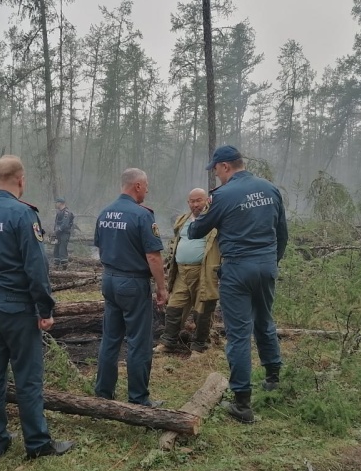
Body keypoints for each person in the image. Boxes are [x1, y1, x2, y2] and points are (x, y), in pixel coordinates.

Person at [0, 155, 74, 459]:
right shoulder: (23, 214)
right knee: (28, 375)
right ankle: (38, 443)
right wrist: (45, 308)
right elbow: (36, 266)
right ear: (21, 180)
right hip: (15, 304)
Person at [188, 145, 288, 424]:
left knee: (239, 333)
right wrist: (271, 261)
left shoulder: (222, 195)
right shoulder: (270, 188)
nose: (216, 176)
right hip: (266, 265)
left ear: (225, 167)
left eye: (216, 170)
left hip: (237, 269)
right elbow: (282, 233)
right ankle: (273, 377)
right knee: (265, 320)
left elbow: (197, 231)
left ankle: (242, 403)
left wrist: (200, 212)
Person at [94, 168, 168, 407]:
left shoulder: (105, 212)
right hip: (133, 283)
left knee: (111, 338)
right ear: (137, 186)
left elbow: (101, 246)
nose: (147, 190)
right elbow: (154, 257)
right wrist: (161, 287)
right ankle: (138, 398)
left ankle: (104, 392)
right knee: (138, 341)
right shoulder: (142, 215)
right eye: (146, 186)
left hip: (109, 280)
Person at [154, 188, 220, 357]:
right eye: (192, 201)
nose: (195, 204)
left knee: (203, 308)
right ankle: (168, 342)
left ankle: (199, 346)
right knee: (175, 305)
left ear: (207, 200)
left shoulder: (215, 219)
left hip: (203, 271)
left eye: (199, 200)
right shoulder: (182, 220)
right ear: (188, 202)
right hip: (181, 271)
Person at [53, 197, 75, 270]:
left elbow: (64, 224)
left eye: (57, 202)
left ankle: (64, 267)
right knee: (56, 248)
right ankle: (56, 265)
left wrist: (57, 230)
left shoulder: (67, 212)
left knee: (62, 249)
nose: (56, 204)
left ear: (61, 203)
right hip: (58, 233)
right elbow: (56, 223)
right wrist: (54, 231)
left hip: (64, 233)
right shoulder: (59, 212)